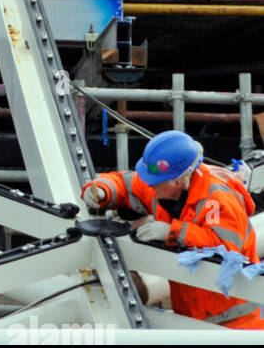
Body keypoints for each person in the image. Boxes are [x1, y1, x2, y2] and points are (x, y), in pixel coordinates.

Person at [82, 130, 263, 329]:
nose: (149, 185)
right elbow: (125, 184)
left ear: (180, 182)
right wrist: (102, 190)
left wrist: (172, 231)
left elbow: (226, 249)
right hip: (189, 314)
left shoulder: (216, 199)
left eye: (155, 182)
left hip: (237, 322)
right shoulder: (161, 184)